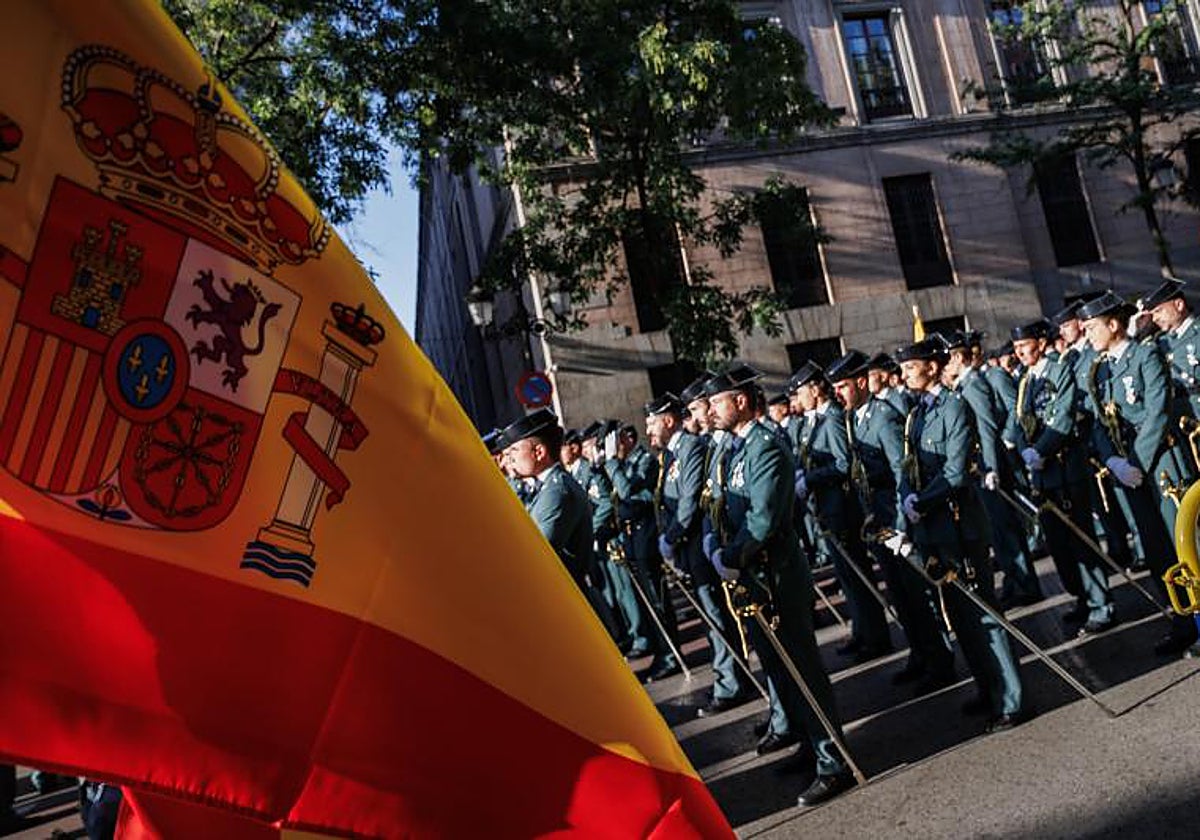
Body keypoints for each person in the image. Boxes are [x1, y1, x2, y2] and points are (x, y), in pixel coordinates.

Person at [703, 364, 856, 807]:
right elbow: (717, 503)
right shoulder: (732, 449)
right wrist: (717, 542)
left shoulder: (765, 446)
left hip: (776, 574)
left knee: (803, 669)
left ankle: (834, 761)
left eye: (717, 401)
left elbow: (765, 518)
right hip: (753, 576)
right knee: (779, 669)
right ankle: (810, 747)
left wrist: (731, 555)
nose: (711, 410)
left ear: (742, 401)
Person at [893, 337, 1027, 734]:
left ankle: (1010, 698)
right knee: (959, 615)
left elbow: (954, 472)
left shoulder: (954, 406)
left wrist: (923, 498)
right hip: (933, 528)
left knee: (982, 611)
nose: (904, 375)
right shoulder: (916, 414)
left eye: (910, 368)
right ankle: (987, 687)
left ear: (932, 367)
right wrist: (906, 498)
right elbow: (908, 465)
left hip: (957, 524)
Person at [1079, 291, 1199, 657]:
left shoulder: (1146, 354)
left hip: (1160, 464)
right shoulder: (1100, 368)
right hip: (1130, 472)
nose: (1087, 336)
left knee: (1186, 546)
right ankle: (1182, 622)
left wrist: (1134, 460)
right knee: (1157, 549)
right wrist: (1113, 461)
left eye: (1092, 328)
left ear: (1113, 324)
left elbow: (1158, 410)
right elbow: (1099, 421)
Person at [827, 349, 955, 692]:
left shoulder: (882, 417)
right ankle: (919, 654)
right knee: (900, 595)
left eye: (842, 386)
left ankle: (939, 661)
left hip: (895, 521)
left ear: (860, 382)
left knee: (918, 594)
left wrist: (901, 526)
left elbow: (903, 471)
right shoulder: (856, 418)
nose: (837, 394)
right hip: (879, 522)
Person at [1007, 318, 1115, 634]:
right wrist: (1024, 447)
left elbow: (1063, 417)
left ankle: (1101, 604)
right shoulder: (1026, 379)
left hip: (1066, 469)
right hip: (1043, 476)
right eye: (1016, 348)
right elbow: (1020, 420)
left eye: (1024, 346)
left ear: (1041, 344)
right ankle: (1081, 597)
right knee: (1059, 545)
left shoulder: (1059, 371)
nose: (1020, 353)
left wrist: (1039, 450)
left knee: (1081, 539)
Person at [648, 393, 750, 715]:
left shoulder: (689, 447)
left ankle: (731, 684)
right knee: (711, 618)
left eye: (652, 422)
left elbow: (690, 500)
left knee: (716, 618)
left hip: (697, 544)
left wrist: (673, 536)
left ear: (668, 420)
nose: (649, 429)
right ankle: (730, 679)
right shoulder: (672, 454)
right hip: (689, 549)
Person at [790, 360, 891, 662]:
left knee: (857, 574)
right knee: (847, 577)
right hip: (826, 507)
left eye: (801, 392)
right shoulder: (812, 421)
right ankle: (862, 632)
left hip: (842, 507)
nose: (797, 399)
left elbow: (843, 464)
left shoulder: (832, 418)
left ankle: (875, 635)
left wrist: (809, 478)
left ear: (815, 390)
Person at [944, 331, 1043, 609]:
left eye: (947, 359)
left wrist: (991, 467)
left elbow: (986, 430)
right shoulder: (965, 384)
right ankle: (1015, 580)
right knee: (997, 530)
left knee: (1005, 527)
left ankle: (1026, 583)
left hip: (989, 467)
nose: (944, 366)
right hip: (980, 468)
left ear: (957, 358)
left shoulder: (974, 383)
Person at [499, 409, 619, 637]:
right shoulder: (546, 488)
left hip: (569, 608)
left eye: (515, 449)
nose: (510, 458)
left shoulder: (556, 491)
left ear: (539, 452)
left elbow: (535, 555)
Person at [603, 423, 679, 681]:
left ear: (625, 438)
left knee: (658, 602)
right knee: (647, 604)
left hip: (646, 540)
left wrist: (612, 463)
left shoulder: (644, 460)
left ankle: (670, 655)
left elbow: (627, 492)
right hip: (632, 542)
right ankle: (661, 651)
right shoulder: (625, 464)